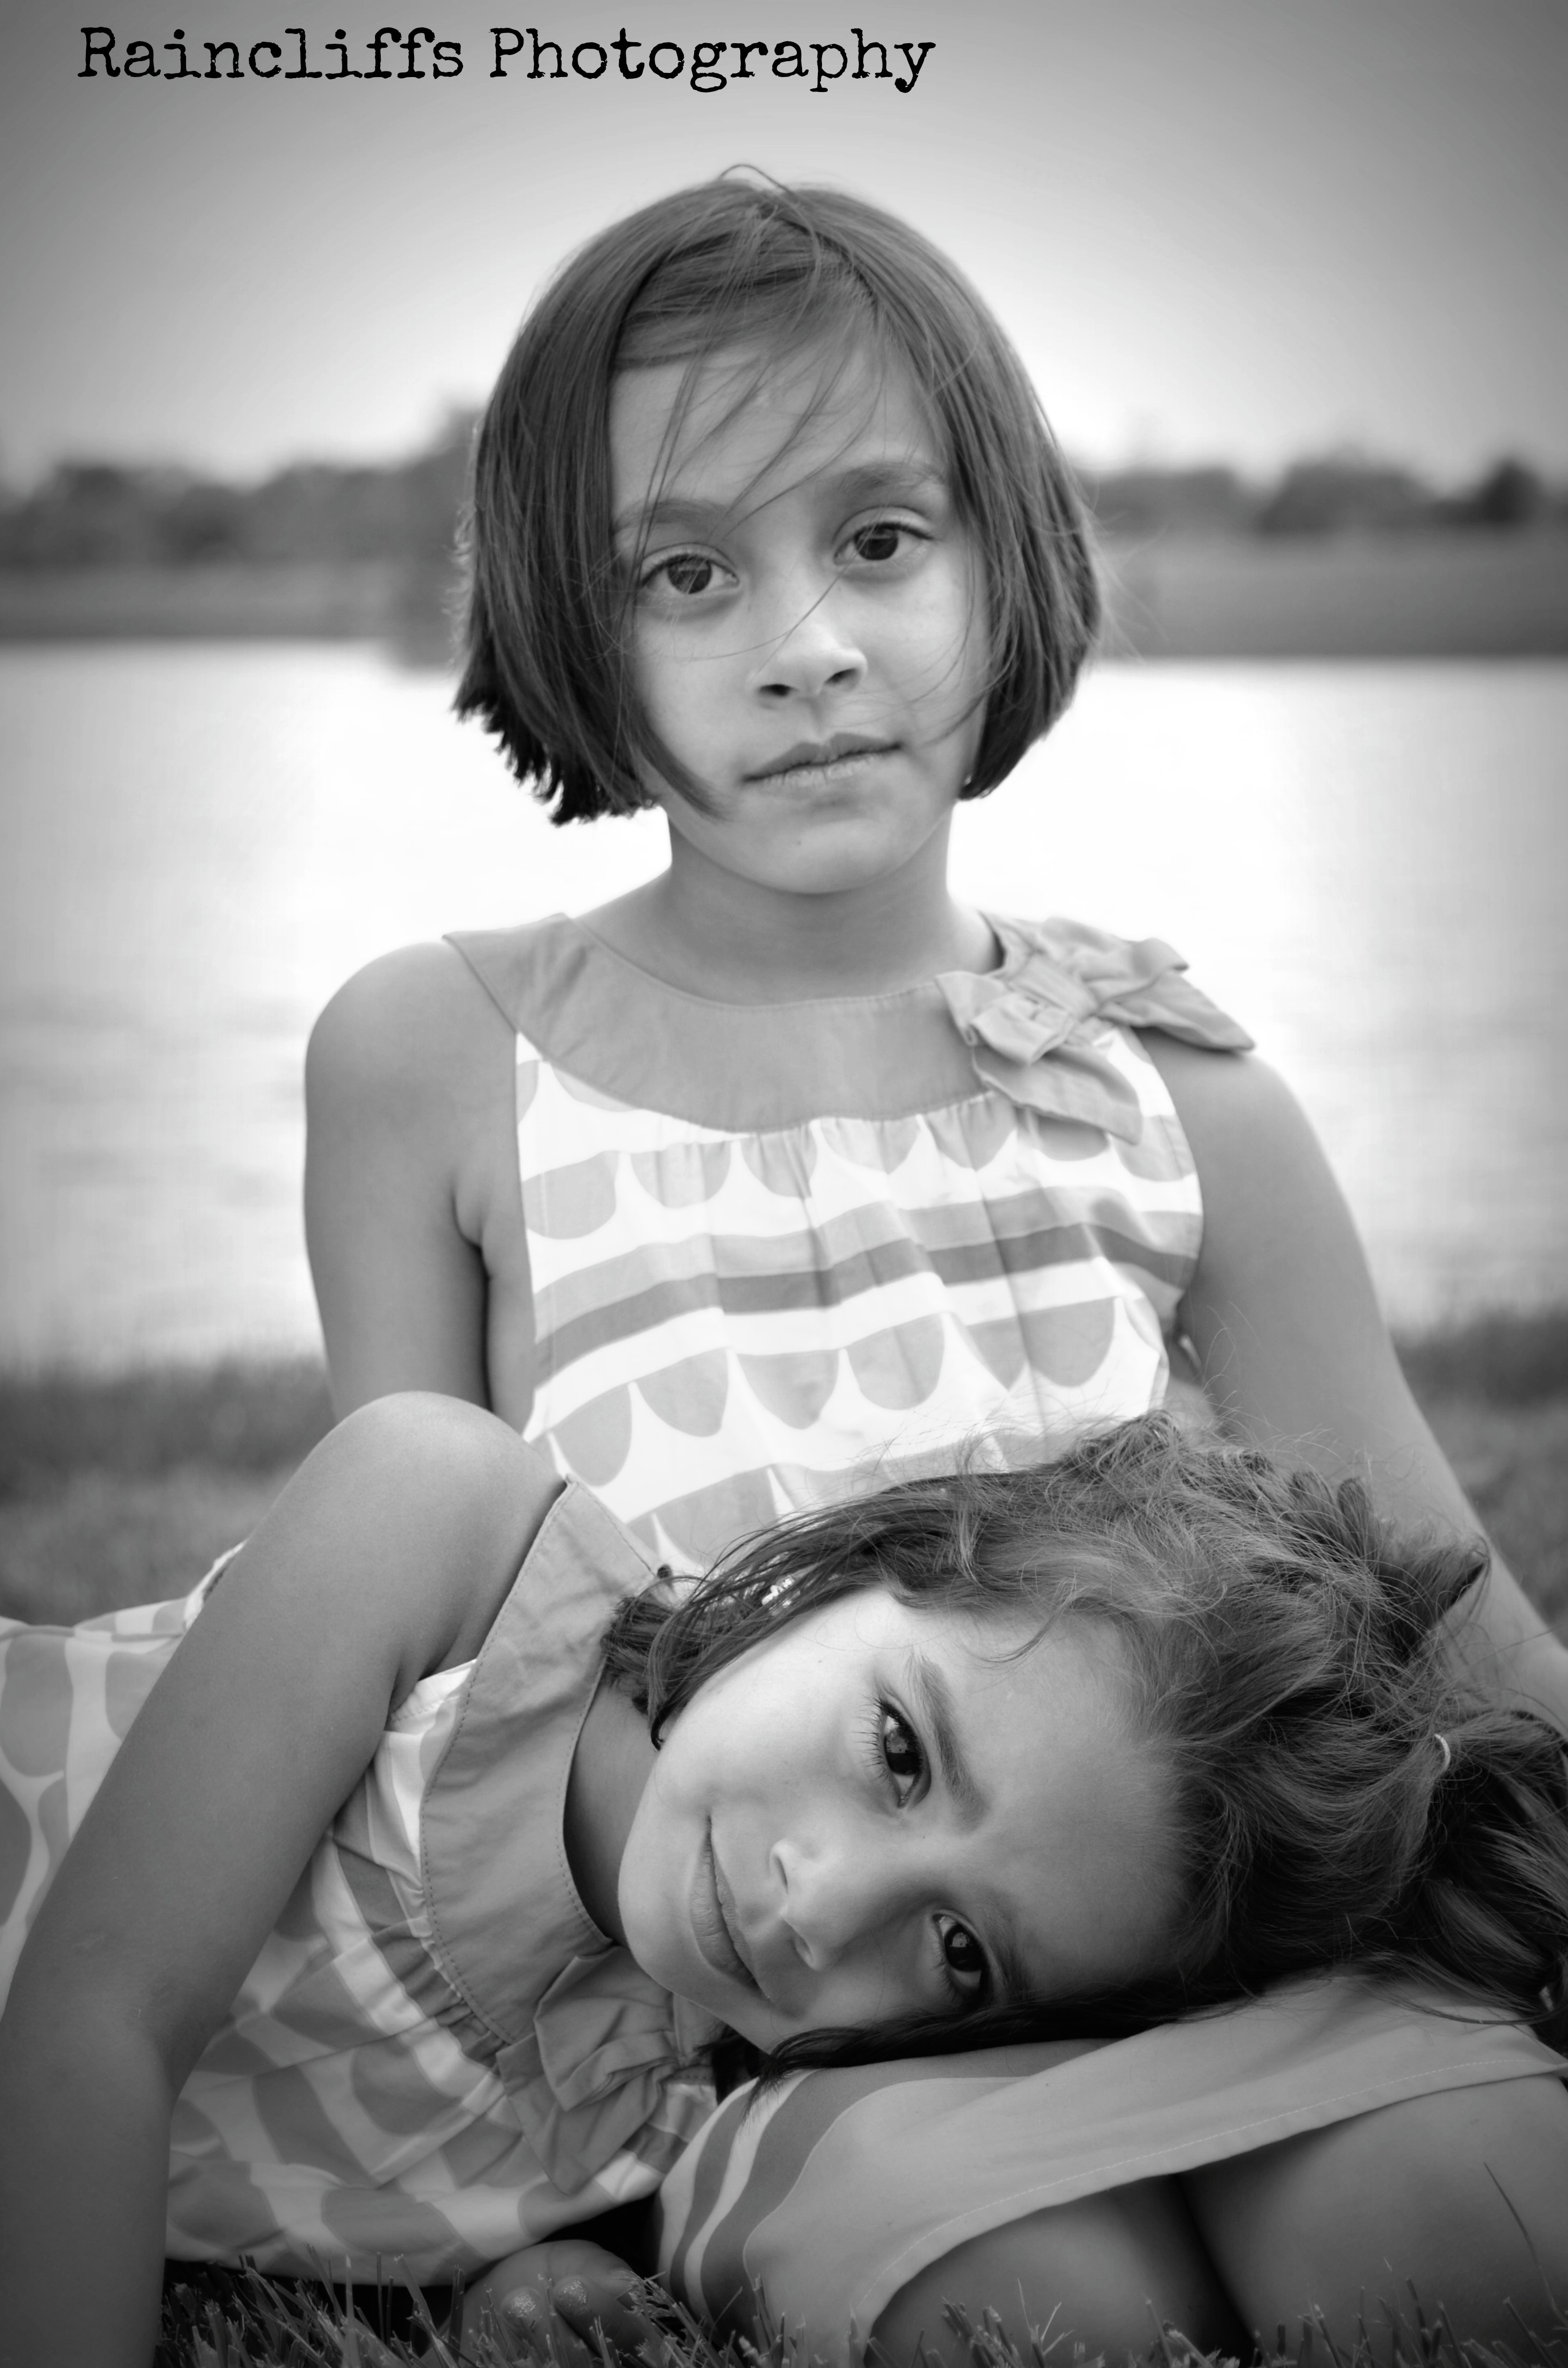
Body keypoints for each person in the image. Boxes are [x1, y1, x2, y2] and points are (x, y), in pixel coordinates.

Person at [293, 176, 1568, 2353]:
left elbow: (1440, 1624)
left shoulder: (1171, 1085)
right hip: (781, 2029)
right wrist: (507, 2207)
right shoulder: (437, 1058)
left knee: (1464, 2214)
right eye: (686, 572)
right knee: (1035, 2304)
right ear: (570, 619)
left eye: (879, 539)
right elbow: (407, 1710)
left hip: (1192, 1956)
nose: (805, 644)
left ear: (1006, 565)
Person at [0, 1407, 1565, 2368]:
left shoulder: (702, 2092)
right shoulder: (447, 1535)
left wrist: (511, 2280)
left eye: (960, 1951)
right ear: (880, 1562)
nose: (823, 1910)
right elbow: (92, 2025)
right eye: (899, 1751)